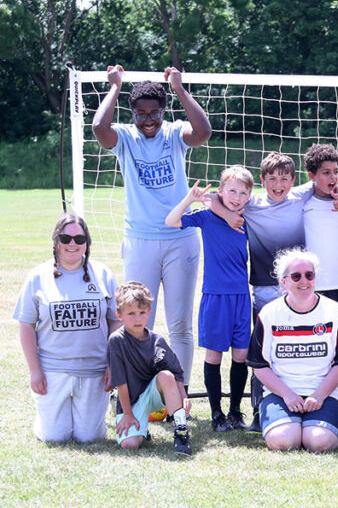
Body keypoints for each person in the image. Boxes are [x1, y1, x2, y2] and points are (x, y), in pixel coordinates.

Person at [92, 64, 213, 392]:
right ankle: (138, 391)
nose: (148, 119)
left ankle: (180, 393)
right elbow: (99, 128)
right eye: (141, 113)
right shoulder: (126, 138)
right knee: (136, 321)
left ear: (163, 111)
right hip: (140, 241)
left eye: (154, 113)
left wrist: (178, 89)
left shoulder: (174, 133)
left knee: (180, 325)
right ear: (132, 112)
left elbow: (203, 132)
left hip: (181, 241)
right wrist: (115, 88)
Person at [209, 151, 323, 434]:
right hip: (262, 289)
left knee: (296, 345)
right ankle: (260, 410)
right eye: (272, 179)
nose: (278, 184)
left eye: (285, 179)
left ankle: (303, 398)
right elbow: (211, 199)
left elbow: (326, 180)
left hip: (297, 287)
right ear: (262, 181)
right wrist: (226, 214)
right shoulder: (252, 203)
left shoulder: (300, 196)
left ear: (294, 181)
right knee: (263, 351)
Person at [14, 213, 119, 443]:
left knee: (89, 437)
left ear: (87, 243)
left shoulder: (102, 274)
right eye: (66, 238)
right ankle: (47, 417)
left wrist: (113, 364)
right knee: (55, 438)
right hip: (53, 370)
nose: (72, 244)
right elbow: (26, 326)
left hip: (94, 370)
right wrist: (35, 370)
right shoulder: (38, 277)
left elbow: (116, 322)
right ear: (56, 241)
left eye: (79, 239)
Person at [165, 166, 253, 432]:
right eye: (232, 191)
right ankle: (217, 415)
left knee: (241, 356)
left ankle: (236, 412)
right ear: (221, 191)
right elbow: (171, 221)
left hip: (241, 297)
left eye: (242, 192)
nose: (237, 197)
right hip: (215, 297)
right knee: (214, 356)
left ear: (249, 196)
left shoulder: (249, 217)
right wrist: (190, 199)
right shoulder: (206, 216)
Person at [247, 248, 338, 452]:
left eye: (309, 275)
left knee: (318, 442)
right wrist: (287, 395)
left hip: (324, 394)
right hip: (280, 394)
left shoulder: (333, 311)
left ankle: (313, 424)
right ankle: (290, 423)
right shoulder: (269, 314)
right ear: (284, 282)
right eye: (296, 276)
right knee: (284, 441)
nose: (304, 281)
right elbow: (259, 366)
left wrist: (319, 395)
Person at [107, 281, 191, 455]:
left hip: (154, 395)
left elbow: (176, 372)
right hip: (130, 401)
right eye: (131, 313)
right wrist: (128, 415)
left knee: (166, 376)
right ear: (119, 315)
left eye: (142, 312)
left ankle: (181, 431)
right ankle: (142, 430)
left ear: (149, 312)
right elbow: (120, 383)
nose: (137, 318)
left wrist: (184, 397)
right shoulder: (116, 341)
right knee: (129, 444)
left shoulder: (157, 340)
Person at [301, 144, 338, 313]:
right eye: (326, 173)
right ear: (312, 176)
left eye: (336, 172)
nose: (333, 177)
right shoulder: (303, 206)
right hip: (315, 284)